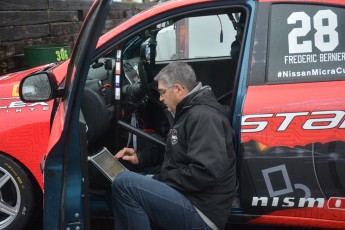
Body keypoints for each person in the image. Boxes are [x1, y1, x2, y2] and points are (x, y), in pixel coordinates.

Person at [112, 60, 237, 230]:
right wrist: (140, 157)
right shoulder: (188, 111)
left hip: (201, 212)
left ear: (178, 89)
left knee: (124, 184)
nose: (161, 98)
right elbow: (174, 149)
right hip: (190, 197)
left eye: (162, 92)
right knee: (119, 183)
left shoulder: (204, 117)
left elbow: (206, 173)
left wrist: (159, 179)